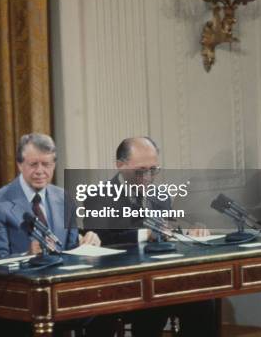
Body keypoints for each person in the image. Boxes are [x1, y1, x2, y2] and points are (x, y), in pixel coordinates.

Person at [90, 137, 217, 337]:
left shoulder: (161, 196)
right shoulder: (99, 196)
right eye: (141, 170)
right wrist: (146, 234)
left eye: (153, 169)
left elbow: (169, 231)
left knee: (202, 300)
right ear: (120, 166)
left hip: (160, 279)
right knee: (151, 308)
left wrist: (190, 232)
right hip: (121, 284)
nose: (148, 176)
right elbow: (103, 239)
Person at [0, 133, 100, 259]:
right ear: (19, 165)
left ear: (54, 165)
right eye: (33, 164)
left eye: (46, 164)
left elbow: (72, 251)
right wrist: (27, 255)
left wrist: (87, 244)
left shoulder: (64, 198)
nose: (40, 171)